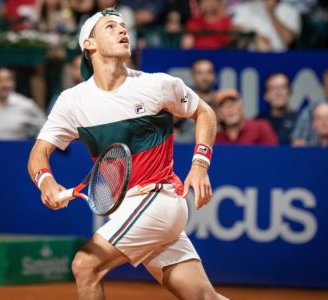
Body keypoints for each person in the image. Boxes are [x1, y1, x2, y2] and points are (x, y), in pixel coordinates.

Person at [27, 8, 228, 300]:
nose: (123, 31)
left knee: (85, 265)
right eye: (110, 27)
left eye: (124, 26)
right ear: (89, 44)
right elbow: (38, 152)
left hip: (159, 201)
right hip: (128, 209)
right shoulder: (72, 102)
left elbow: (205, 112)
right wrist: (46, 182)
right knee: (203, 297)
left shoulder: (156, 85)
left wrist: (199, 165)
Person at [232, 0, 301, 51]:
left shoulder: (290, 11)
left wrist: (270, 12)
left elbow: (289, 40)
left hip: (280, 58)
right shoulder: (247, 8)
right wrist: (253, 37)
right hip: (250, 56)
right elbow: (234, 34)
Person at [256, 72, 298, 145]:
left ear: (289, 92)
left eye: (283, 87)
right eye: (273, 89)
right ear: (266, 95)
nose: (278, 93)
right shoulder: (258, 121)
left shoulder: (301, 120)